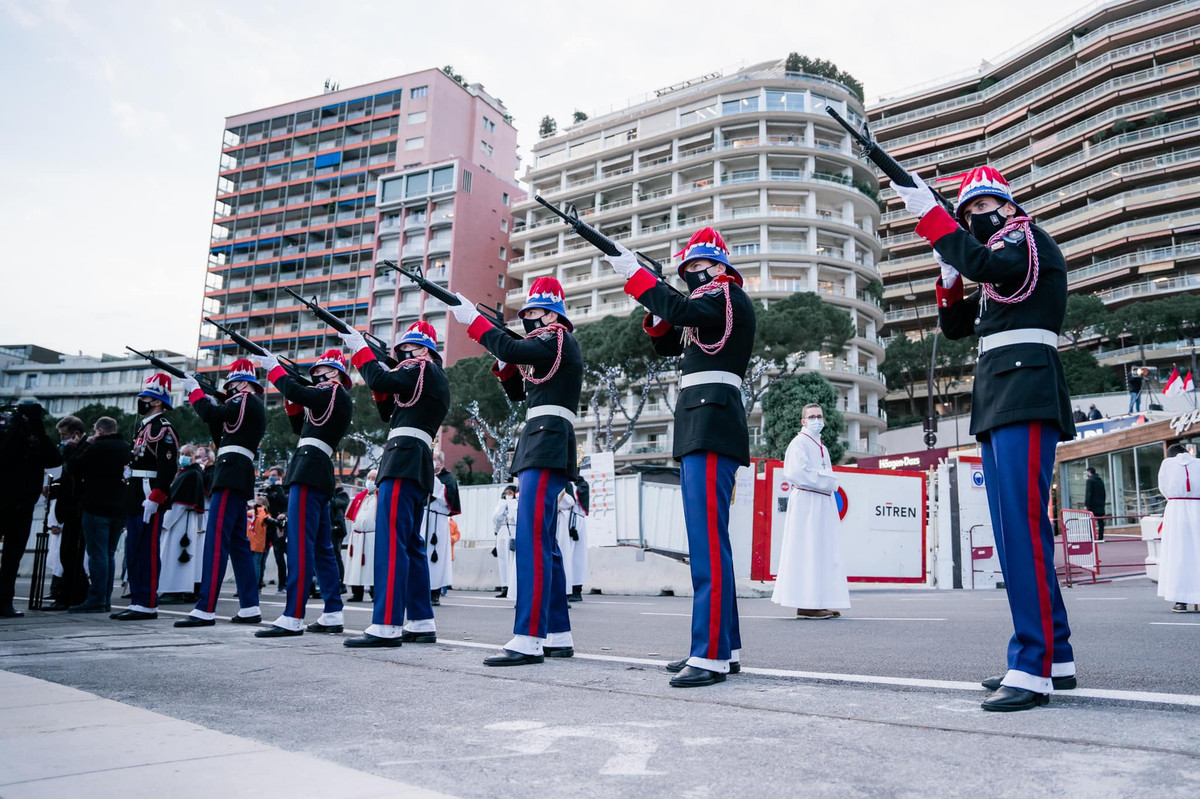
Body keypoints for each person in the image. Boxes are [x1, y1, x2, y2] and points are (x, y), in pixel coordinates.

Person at [895, 164, 1076, 711]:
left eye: (982, 206)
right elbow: (955, 327)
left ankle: (1032, 665)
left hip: (1025, 386)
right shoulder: (997, 260)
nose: (974, 216)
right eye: (966, 210)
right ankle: (1056, 657)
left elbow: (986, 262)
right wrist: (948, 271)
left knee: (1020, 530)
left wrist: (931, 216)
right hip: (1000, 393)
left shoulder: (1024, 239)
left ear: (1007, 205)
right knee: (1014, 531)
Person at [445, 276, 583, 666]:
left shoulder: (556, 338)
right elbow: (520, 391)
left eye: (534, 312)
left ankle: (529, 637)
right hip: (541, 440)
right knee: (545, 544)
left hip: (547, 440)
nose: (528, 319)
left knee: (533, 542)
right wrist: (507, 356)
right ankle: (557, 632)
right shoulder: (545, 348)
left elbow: (509, 345)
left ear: (552, 313)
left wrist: (472, 319)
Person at [338, 321, 448, 648]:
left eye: (407, 351)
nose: (403, 356)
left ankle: (386, 624)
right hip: (413, 461)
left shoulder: (423, 369)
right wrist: (379, 362)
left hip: (402, 461)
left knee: (391, 544)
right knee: (410, 544)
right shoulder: (424, 376)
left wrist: (359, 347)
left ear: (423, 350)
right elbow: (388, 407)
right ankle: (420, 620)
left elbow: (382, 379)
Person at [254, 348, 352, 638]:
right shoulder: (324, 398)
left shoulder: (334, 392)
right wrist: (291, 393)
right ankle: (332, 612)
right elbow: (300, 425)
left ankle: (293, 615)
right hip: (313, 468)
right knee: (322, 547)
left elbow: (301, 394)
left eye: (322, 371)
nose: (317, 377)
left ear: (334, 373)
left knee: (298, 542)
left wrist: (275, 370)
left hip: (309, 468)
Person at [175, 359, 268, 628]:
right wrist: (213, 400)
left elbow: (210, 416)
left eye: (232, 384)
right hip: (234, 471)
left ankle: (205, 608)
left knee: (216, 542)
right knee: (238, 545)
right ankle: (250, 606)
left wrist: (195, 392)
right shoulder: (241, 406)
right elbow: (220, 433)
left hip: (231, 473)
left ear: (240, 384)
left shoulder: (246, 400)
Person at [772, 403, 850, 619]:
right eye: (812, 416)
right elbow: (797, 473)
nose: (817, 420)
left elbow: (822, 474)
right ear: (803, 421)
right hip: (808, 503)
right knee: (808, 549)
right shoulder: (799, 444)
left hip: (821, 502)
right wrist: (829, 481)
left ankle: (819, 600)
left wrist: (827, 481)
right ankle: (806, 603)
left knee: (822, 551)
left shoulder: (821, 447)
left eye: (820, 416)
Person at [113, 375, 179, 621]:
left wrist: (157, 495)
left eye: (146, 397)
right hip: (135, 491)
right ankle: (138, 599)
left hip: (147, 493)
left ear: (157, 401)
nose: (141, 400)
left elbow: (167, 467)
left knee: (147, 550)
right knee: (133, 549)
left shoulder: (162, 428)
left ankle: (148, 601)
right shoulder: (145, 426)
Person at [0, 401, 62, 617]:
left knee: (12, 557)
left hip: (23, 505)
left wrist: (38, 433)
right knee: (11, 556)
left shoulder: (36, 439)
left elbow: (54, 459)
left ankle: (4, 602)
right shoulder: (9, 435)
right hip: (5, 501)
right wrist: (17, 431)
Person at [67, 417, 129, 613]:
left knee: (97, 554)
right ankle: (105, 598)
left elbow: (74, 467)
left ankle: (96, 598)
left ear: (100, 431)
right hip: (119, 507)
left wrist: (78, 446)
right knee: (109, 554)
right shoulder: (126, 448)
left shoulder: (96, 447)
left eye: (95, 431)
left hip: (96, 505)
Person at [49, 416, 89, 610]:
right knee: (67, 555)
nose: (62, 439)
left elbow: (74, 470)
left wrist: (70, 450)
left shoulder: (82, 449)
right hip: (69, 508)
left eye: (64, 435)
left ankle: (70, 596)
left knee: (70, 554)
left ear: (76, 434)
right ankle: (71, 593)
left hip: (76, 509)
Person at [158, 444, 206, 602]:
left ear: (194, 456)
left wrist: (165, 522)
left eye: (189, 453)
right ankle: (172, 588)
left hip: (181, 521)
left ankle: (175, 590)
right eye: (183, 453)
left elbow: (180, 502)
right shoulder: (186, 473)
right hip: (180, 519)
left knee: (176, 555)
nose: (185, 456)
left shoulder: (191, 474)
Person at [1156, 444, 1200, 613]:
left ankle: (1180, 600)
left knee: (1178, 554)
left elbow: (1163, 488)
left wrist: (1176, 500)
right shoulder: (1198, 463)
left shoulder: (1167, 464)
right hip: (1197, 508)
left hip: (1176, 510)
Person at [423, 451, 461, 607]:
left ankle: (435, 592)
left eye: (433, 459)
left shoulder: (448, 479)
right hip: (423, 518)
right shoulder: (423, 475)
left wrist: (434, 485)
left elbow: (449, 498)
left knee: (436, 557)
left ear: (440, 463)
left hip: (438, 520)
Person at [345, 471, 377, 603]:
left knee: (372, 566)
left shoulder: (381, 497)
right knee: (355, 566)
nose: (369, 481)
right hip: (357, 537)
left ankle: (375, 593)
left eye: (373, 478)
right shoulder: (360, 496)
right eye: (368, 478)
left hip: (373, 536)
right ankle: (356, 593)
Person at [557, 476, 589, 603]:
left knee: (577, 557)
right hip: (567, 519)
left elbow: (574, 498)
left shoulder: (581, 484)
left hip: (576, 521)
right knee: (567, 555)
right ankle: (568, 588)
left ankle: (576, 589)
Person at [263, 466, 288, 592]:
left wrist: (278, 487)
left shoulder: (283, 489)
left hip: (279, 526)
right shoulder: (267, 489)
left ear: (280, 476)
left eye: (274, 475)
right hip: (266, 525)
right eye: (270, 474)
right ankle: (258, 582)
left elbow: (284, 502)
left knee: (280, 556)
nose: (271, 477)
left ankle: (282, 584)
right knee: (261, 555)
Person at [492, 484, 518, 598]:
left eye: (510, 493)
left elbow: (515, 516)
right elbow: (496, 518)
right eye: (506, 493)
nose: (508, 496)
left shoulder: (516, 503)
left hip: (512, 529)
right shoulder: (501, 503)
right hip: (502, 529)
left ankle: (511, 585)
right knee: (502, 558)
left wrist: (511, 503)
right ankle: (504, 585)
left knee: (510, 558)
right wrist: (503, 505)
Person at [330, 484, 351, 595]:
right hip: (330, 528)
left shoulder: (342, 495)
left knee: (336, 555)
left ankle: (341, 583)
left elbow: (336, 503)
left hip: (336, 529)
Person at [248, 497, 268, 587]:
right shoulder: (263, 513)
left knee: (248, 565)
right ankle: (255, 586)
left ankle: (245, 586)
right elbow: (264, 521)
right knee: (257, 565)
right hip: (259, 542)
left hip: (249, 539)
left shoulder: (249, 512)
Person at [1084, 466, 1107, 542]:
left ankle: (1092, 538)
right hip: (1100, 504)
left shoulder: (1089, 481)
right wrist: (1103, 502)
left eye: (1087, 472)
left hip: (1092, 504)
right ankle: (1100, 537)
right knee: (1100, 522)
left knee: (1090, 521)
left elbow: (1088, 493)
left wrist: (1086, 504)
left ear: (1089, 472)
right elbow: (1104, 493)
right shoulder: (1100, 480)